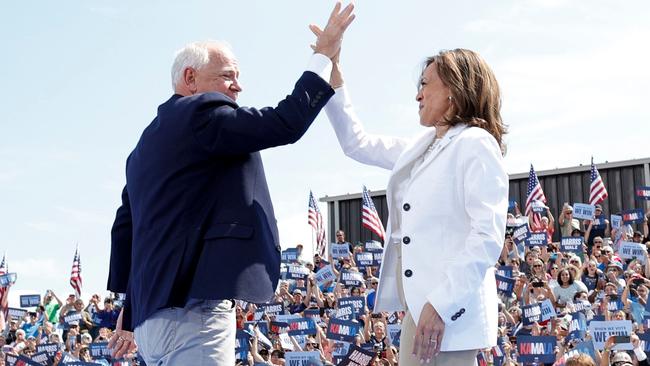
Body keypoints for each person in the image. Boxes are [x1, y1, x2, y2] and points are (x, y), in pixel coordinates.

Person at [106, 4, 355, 365]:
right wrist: (322, 56)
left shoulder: (142, 148)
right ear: (190, 79)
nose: (238, 86)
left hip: (150, 323)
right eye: (227, 75)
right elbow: (284, 123)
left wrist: (129, 316)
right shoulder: (200, 113)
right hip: (196, 314)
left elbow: (131, 234)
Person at [317, 40, 508, 364]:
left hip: (449, 318)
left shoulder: (476, 144)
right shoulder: (423, 146)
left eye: (425, 84)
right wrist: (333, 69)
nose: (417, 95)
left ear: (454, 90)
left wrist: (441, 305)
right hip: (419, 314)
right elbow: (356, 143)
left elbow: (487, 238)